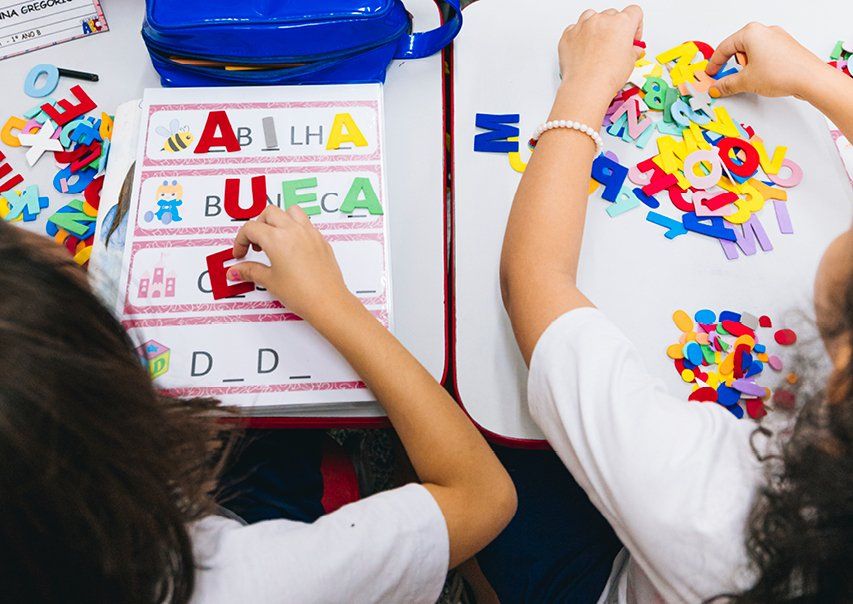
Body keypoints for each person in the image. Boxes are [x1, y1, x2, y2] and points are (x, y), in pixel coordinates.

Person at [499, 6, 852, 603]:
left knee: (497, 448)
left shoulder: (718, 509)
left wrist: (586, 82)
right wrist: (817, 78)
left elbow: (533, 280)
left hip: (610, 571)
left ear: (840, 382)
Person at [0, 209, 516, 603]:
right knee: (282, 441)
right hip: (248, 542)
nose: (41, 235)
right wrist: (332, 302)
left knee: (273, 428)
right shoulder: (255, 582)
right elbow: (483, 497)